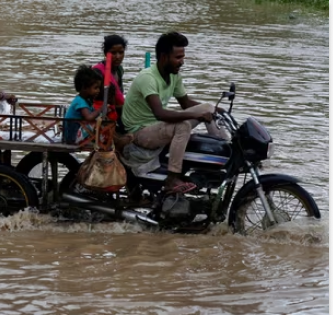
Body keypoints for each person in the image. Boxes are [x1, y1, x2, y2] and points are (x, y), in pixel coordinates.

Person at [122, 32, 228, 195]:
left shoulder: (174, 75)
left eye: (182, 57)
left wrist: (217, 110)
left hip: (157, 127)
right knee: (183, 126)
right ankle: (172, 177)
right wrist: (194, 116)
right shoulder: (148, 78)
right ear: (164, 57)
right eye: (178, 57)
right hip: (140, 132)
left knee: (207, 107)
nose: (182, 62)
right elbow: (160, 114)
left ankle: (225, 152)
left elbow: (185, 103)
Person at [64, 65, 104, 144]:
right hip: (72, 137)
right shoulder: (80, 101)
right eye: (96, 88)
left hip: (76, 131)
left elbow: (93, 113)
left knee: (100, 122)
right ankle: (102, 140)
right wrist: (101, 109)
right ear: (84, 88)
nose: (98, 90)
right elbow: (89, 117)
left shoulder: (86, 100)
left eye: (99, 88)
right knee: (97, 124)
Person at [92, 35, 128, 123]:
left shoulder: (119, 70)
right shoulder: (98, 71)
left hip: (115, 109)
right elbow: (94, 101)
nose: (118, 56)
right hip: (100, 112)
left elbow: (119, 95)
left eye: (121, 52)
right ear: (105, 53)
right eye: (113, 53)